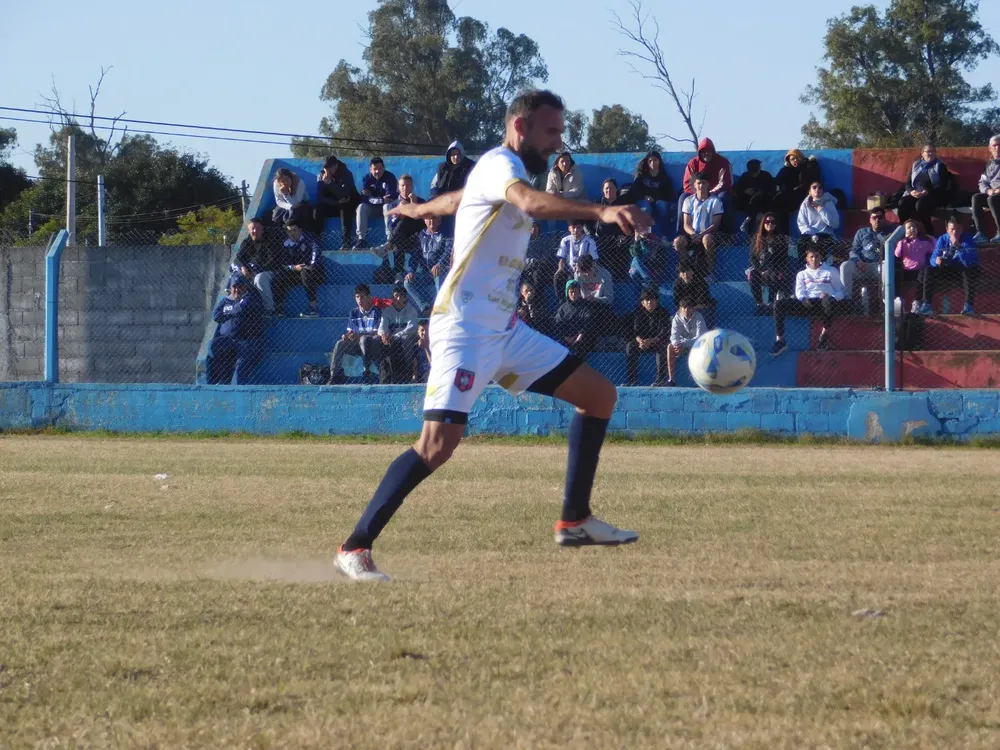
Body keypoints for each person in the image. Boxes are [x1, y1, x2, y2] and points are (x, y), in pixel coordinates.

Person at [334, 89, 651, 581]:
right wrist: (600, 212)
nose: (558, 141)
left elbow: (460, 199)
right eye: (551, 131)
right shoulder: (502, 165)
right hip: (462, 327)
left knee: (598, 395)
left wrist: (420, 210)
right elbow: (528, 203)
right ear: (520, 128)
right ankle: (355, 547)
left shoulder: (503, 173)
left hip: (505, 329)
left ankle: (574, 520)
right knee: (437, 445)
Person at [771, 247, 845, 355]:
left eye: (817, 256)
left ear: (821, 257)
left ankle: (823, 337)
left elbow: (840, 292)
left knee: (828, 303)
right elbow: (799, 291)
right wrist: (803, 298)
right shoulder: (802, 274)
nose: (814, 259)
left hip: (824, 303)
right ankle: (780, 340)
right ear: (807, 259)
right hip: (807, 303)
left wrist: (831, 296)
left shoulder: (831, 271)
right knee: (779, 304)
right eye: (811, 257)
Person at [206, 272, 265, 385]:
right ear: (230, 287)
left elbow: (244, 307)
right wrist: (234, 309)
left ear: (245, 287)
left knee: (240, 367)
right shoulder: (225, 300)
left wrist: (228, 311)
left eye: (240, 287)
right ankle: (211, 387)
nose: (237, 290)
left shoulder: (252, 298)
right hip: (229, 341)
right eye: (234, 287)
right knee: (211, 350)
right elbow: (217, 316)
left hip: (248, 341)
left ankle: (238, 389)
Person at [896, 143, 955, 237]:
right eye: (928, 151)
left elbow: (942, 185)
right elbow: (907, 183)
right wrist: (911, 191)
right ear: (922, 153)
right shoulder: (915, 165)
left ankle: (928, 230)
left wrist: (927, 191)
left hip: (933, 194)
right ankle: (903, 230)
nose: (930, 153)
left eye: (933, 151)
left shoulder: (939, 166)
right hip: (916, 193)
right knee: (902, 202)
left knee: (920, 205)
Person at [329, 283, 384, 384]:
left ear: (368, 297)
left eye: (362, 297)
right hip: (357, 345)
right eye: (357, 297)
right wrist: (346, 336)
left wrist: (359, 336)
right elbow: (351, 331)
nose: (359, 300)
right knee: (339, 343)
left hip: (372, 345)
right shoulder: (353, 313)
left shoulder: (377, 312)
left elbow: (377, 333)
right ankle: (335, 376)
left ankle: (366, 372)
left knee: (364, 339)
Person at [840, 206, 896, 303]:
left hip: (879, 267)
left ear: (884, 219)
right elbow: (853, 251)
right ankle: (847, 300)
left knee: (887, 266)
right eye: (874, 218)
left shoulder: (890, 233)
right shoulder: (862, 232)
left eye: (880, 217)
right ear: (870, 220)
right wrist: (858, 262)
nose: (877, 220)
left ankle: (885, 302)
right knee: (845, 266)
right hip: (862, 266)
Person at [674, 172, 723, 279]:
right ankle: (686, 269)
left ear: (708, 184)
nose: (701, 186)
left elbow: (716, 224)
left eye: (704, 183)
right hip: (692, 235)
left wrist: (701, 235)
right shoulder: (688, 201)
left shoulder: (715, 201)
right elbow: (686, 224)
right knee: (678, 242)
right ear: (695, 185)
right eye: (699, 183)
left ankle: (710, 273)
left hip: (709, 234)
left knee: (707, 239)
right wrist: (694, 234)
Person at [930, 216, 981, 315]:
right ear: (947, 230)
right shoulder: (942, 239)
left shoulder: (967, 239)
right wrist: (936, 261)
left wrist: (959, 247)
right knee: (927, 270)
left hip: (966, 269)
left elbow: (969, 262)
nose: (955, 232)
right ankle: (925, 304)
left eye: (957, 229)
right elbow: (932, 258)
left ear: (961, 230)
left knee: (968, 271)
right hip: (949, 270)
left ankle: (969, 306)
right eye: (952, 229)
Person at [274, 220, 324, 318]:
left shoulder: (309, 239)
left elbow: (316, 251)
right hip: (295, 273)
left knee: (305, 272)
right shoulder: (285, 244)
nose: (292, 233)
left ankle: (313, 309)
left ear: (300, 230)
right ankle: (279, 310)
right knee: (279, 277)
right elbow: (283, 263)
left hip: (312, 273)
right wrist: (294, 267)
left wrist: (311, 266)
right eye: (289, 231)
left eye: (294, 230)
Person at [620, 150, 676, 237]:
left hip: (658, 202)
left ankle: (664, 235)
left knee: (663, 207)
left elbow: (669, 196)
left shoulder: (665, 178)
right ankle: (644, 235)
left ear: (659, 161)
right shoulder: (641, 176)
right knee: (645, 207)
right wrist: (645, 197)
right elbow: (634, 191)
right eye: (650, 160)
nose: (652, 162)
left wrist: (655, 199)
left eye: (655, 160)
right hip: (644, 201)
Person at [404, 216, 452, 313]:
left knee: (438, 274)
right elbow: (415, 255)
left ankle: (441, 308)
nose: (431, 221)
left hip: (443, 271)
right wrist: (411, 271)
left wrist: (440, 264)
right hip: (426, 274)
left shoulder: (447, 233)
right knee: (407, 282)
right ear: (424, 221)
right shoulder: (421, 235)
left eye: (434, 218)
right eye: (428, 219)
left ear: (440, 219)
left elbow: (448, 251)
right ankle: (426, 307)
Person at [624, 286, 670, 387]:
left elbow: (665, 332)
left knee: (663, 348)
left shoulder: (663, 312)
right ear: (642, 302)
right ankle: (632, 380)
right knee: (630, 346)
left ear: (657, 301)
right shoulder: (638, 312)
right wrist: (640, 341)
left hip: (657, 342)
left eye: (652, 299)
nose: (650, 302)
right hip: (642, 343)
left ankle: (660, 380)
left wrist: (651, 340)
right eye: (647, 300)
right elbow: (635, 331)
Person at [234, 217, 281, 314]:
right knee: (235, 277)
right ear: (249, 230)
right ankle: (234, 306)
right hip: (251, 271)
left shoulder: (270, 241)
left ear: (262, 229)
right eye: (252, 228)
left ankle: (269, 310)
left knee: (259, 278)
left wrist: (255, 272)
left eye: (258, 228)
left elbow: (272, 261)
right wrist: (243, 268)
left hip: (269, 270)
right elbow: (238, 258)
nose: (255, 231)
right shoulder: (246, 242)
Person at [748, 212, 792, 314]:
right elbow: (752, 258)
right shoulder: (756, 238)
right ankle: (759, 304)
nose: (770, 224)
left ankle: (771, 304)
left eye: (772, 222)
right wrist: (761, 270)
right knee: (753, 275)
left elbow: (783, 258)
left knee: (774, 275)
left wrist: (777, 269)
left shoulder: (781, 239)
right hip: (760, 269)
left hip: (774, 269)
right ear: (763, 223)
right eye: (767, 222)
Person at [314, 155, 360, 249]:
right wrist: (336, 203)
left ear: (336, 165)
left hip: (350, 203)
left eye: (329, 168)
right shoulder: (321, 175)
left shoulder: (346, 174)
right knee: (318, 209)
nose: (327, 171)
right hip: (334, 203)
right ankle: (317, 241)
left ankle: (346, 242)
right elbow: (320, 197)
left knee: (345, 206)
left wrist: (330, 183)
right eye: (325, 168)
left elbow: (345, 195)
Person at [377, 285, 420, 384]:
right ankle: (384, 375)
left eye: (401, 296)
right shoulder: (387, 311)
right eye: (396, 296)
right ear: (392, 297)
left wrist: (395, 336)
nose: (399, 298)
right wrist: (383, 335)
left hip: (405, 337)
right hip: (390, 339)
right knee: (377, 340)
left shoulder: (412, 310)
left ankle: (409, 371)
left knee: (407, 339)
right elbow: (381, 327)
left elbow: (411, 328)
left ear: (406, 298)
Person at [354, 157, 399, 249]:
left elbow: (389, 198)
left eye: (379, 168)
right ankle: (361, 239)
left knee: (387, 206)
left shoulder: (390, 177)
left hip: (388, 208)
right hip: (375, 208)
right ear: (370, 169)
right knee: (361, 207)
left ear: (384, 168)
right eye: (375, 169)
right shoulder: (367, 178)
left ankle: (390, 240)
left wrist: (372, 197)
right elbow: (365, 198)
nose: (377, 171)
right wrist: (381, 200)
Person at [893, 219, 934, 314]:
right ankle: (898, 301)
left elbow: (933, 250)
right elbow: (897, 254)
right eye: (909, 227)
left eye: (914, 227)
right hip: (907, 270)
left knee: (922, 278)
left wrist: (931, 238)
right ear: (904, 231)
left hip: (920, 270)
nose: (912, 229)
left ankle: (917, 302)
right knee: (896, 274)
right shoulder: (902, 242)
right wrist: (903, 242)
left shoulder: (924, 242)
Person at [773, 149, 820, 233]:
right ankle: (783, 236)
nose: (795, 161)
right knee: (780, 206)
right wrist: (785, 167)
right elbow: (778, 180)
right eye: (792, 159)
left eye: (796, 158)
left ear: (801, 158)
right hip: (790, 199)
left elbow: (812, 180)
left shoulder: (809, 165)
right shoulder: (787, 170)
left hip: (805, 196)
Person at [592, 178, 631, 280]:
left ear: (616, 189)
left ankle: (620, 279)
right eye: (606, 188)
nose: (609, 190)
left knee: (621, 254)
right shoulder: (597, 204)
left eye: (611, 188)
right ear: (603, 190)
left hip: (618, 241)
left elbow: (630, 223)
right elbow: (587, 222)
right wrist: (591, 234)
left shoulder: (623, 205)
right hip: (601, 240)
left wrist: (625, 235)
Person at [554, 280, 601, 359]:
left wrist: (579, 337)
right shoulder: (563, 308)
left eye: (576, 292)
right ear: (567, 293)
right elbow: (558, 324)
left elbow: (589, 321)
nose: (573, 294)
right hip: (566, 338)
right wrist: (566, 338)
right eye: (571, 292)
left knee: (580, 347)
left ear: (579, 292)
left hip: (583, 338)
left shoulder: (586, 305)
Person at [553, 219, 598, 300]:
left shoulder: (589, 241)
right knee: (558, 277)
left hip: (584, 270)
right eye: (573, 227)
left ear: (582, 228)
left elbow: (594, 260)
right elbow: (561, 259)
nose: (576, 230)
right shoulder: (565, 240)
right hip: (568, 269)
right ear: (569, 228)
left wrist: (589, 270)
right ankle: (561, 301)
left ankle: (575, 301)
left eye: (578, 227)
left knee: (571, 279)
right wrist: (560, 269)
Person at [667, 297, 707, 386]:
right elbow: (674, 336)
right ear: (680, 309)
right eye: (683, 308)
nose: (686, 310)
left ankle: (700, 379)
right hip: (681, 346)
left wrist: (684, 343)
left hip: (697, 346)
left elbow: (700, 338)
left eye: (689, 308)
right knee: (670, 347)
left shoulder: (698, 317)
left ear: (693, 308)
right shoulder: (676, 318)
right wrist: (676, 345)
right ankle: (671, 379)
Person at [796, 180, 840, 260]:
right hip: (810, 234)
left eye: (820, 188)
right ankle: (802, 269)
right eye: (814, 187)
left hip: (826, 235)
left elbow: (835, 224)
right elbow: (801, 223)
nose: (817, 189)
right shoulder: (805, 204)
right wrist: (812, 234)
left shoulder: (828, 203)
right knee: (801, 242)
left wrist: (820, 209)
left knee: (822, 248)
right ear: (809, 191)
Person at [734, 159, 776, 234]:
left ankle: (752, 219)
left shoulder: (766, 176)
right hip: (748, 202)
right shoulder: (745, 176)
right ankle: (751, 228)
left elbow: (773, 189)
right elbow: (737, 189)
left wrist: (762, 192)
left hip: (763, 201)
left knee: (758, 202)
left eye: (756, 172)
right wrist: (745, 191)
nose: (754, 175)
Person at [972, 135, 1000, 243]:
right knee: (976, 197)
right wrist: (988, 190)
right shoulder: (988, 164)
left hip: (997, 194)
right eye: (995, 145)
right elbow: (982, 181)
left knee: (992, 199)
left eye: (999, 145)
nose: (997, 148)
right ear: (990, 148)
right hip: (992, 193)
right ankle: (980, 233)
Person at [672, 259, 715, 328]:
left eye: (687, 271)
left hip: (700, 306)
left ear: (692, 271)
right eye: (682, 272)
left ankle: (706, 330)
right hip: (685, 307)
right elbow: (677, 301)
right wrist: (685, 308)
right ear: (679, 274)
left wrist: (691, 308)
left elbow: (703, 300)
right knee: (676, 316)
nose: (685, 274)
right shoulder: (677, 284)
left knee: (704, 312)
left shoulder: (700, 281)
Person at [411, 319, 432, 383]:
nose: (425, 333)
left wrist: (426, 348)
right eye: (422, 330)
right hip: (421, 376)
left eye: (427, 330)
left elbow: (433, 363)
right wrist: (414, 378)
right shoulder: (415, 346)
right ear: (418, 332)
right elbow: (415, 365)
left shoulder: (435, 345)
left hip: (432, 374)